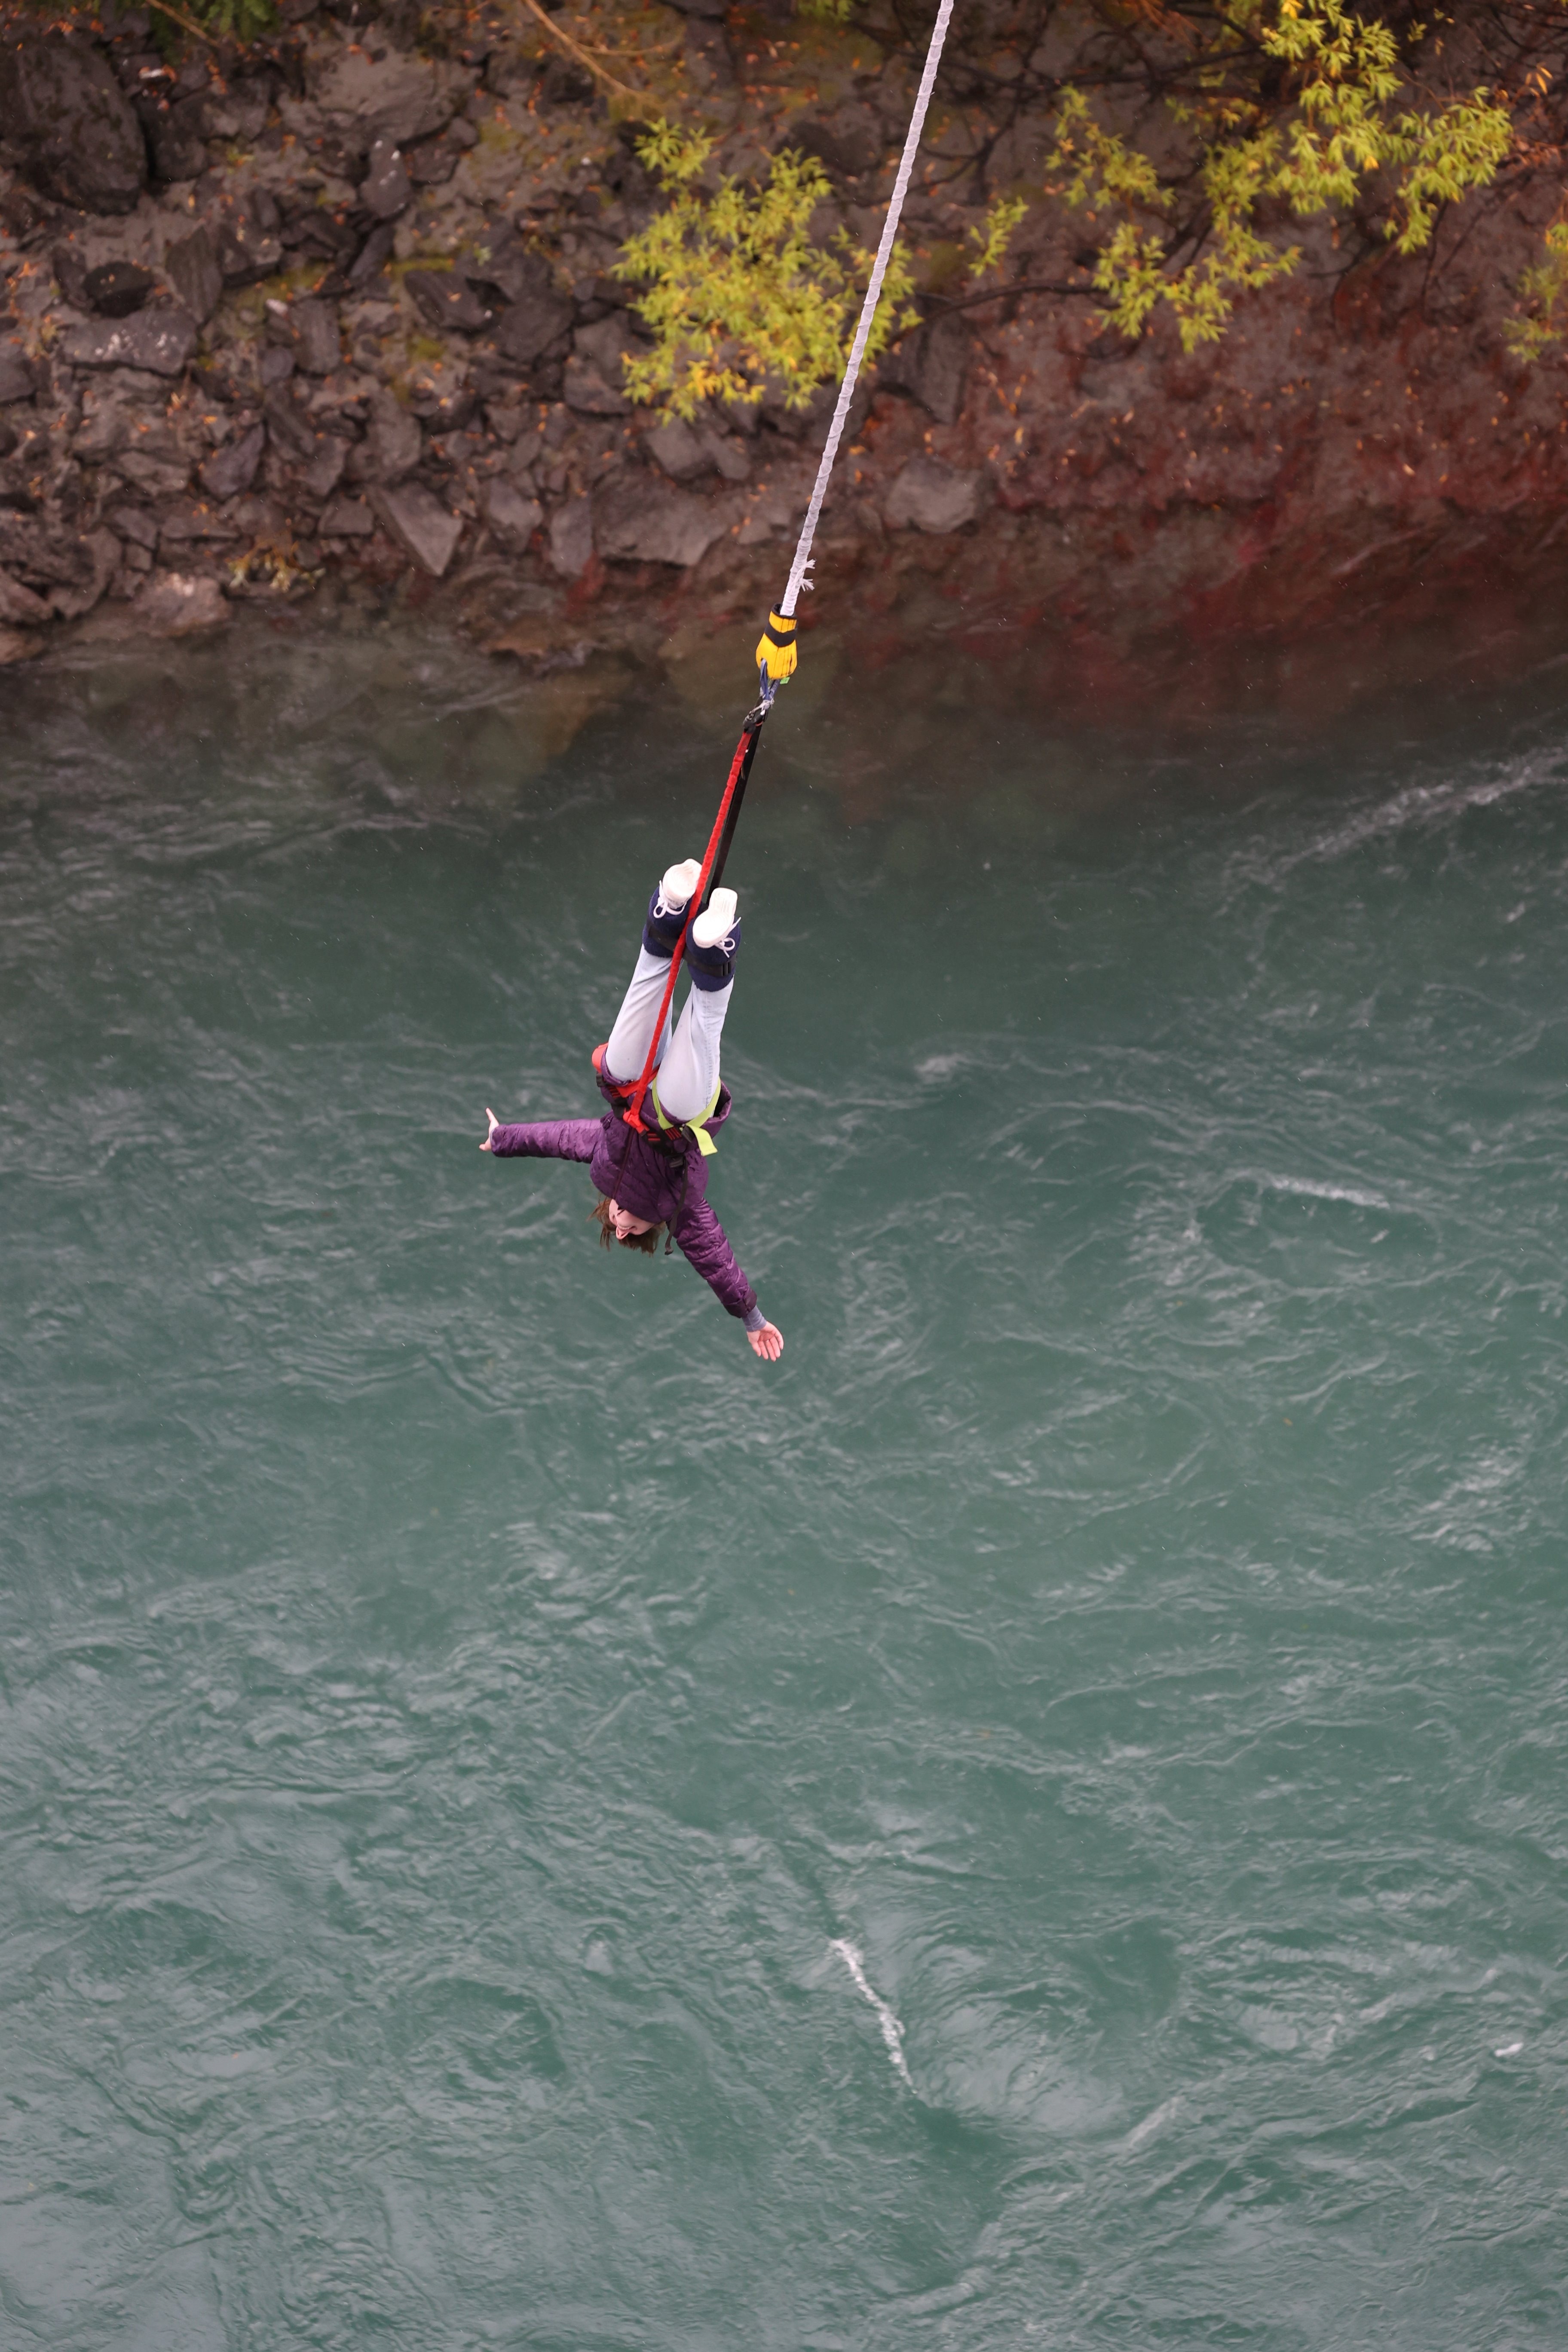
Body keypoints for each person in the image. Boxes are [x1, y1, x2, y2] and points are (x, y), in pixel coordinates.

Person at [481, 860, 784, 1360]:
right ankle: (714, 950)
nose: (622, 1226)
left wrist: (504, 1140)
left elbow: (555, 1140)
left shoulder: (603, 1159)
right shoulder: (680, 1207)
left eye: (614, 1227)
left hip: (630, 1087)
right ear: (655, 1229)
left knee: (638, 1014)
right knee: (701, 1033)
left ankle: (668, 918)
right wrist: (751, 1317)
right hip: (675, 1114)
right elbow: (715, 1261)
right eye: (633, 1233)